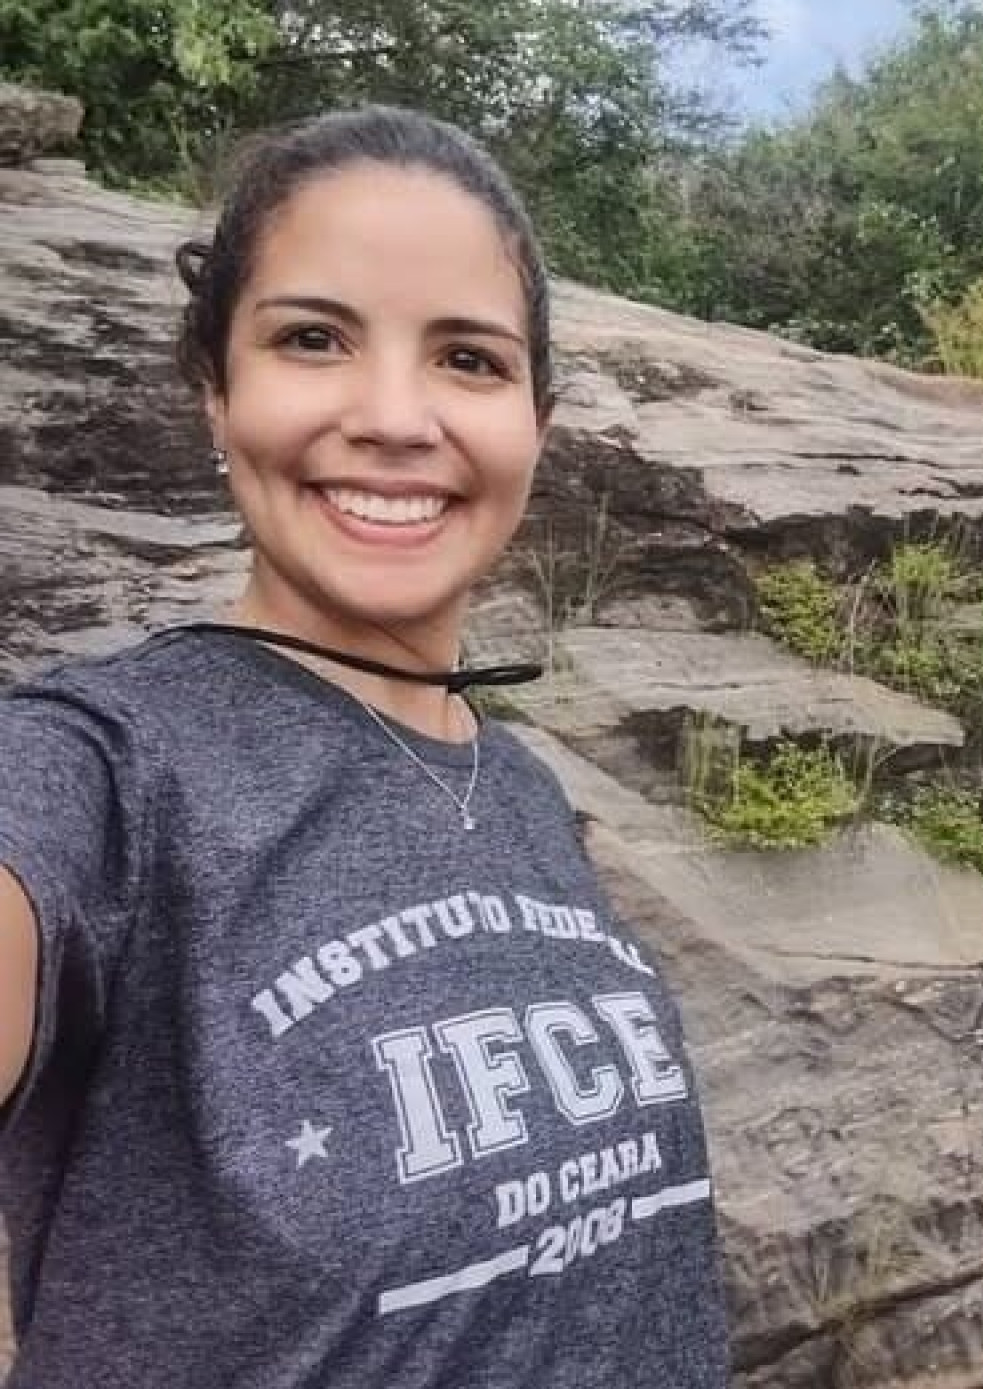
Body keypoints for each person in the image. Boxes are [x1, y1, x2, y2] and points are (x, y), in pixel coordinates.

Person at [0, 106, 729, 1387]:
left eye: (469, 360)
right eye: (313, 339)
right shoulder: (106, 768)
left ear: (536, 428)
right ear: (215, 396)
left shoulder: (521, 789)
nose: (397, 417)